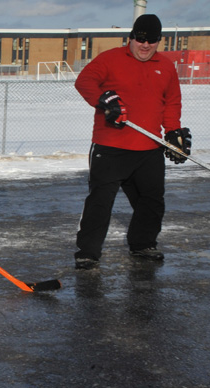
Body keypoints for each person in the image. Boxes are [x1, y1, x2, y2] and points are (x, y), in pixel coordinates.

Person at [73, 14, 192, 270]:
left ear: (159, 41)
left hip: (149, 148)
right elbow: (84, 82)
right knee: (100, 202)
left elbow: (171, 102)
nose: (145, 46)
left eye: (152, 41)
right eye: (140, 39)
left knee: (152, 200)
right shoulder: (110, 59)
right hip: (111, 147)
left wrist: (172, 133)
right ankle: (88, 252)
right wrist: (104, 99)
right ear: (131, 38)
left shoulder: (166, 66)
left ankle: (143, 244)